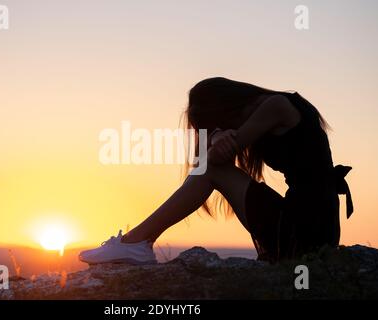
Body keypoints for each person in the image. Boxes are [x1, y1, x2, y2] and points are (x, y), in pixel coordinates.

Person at [79, 77, 353, 265]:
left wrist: (218, 139)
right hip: (311, 223)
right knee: (209, 166)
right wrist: (217, 137)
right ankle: (135, 242)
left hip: (307, 228)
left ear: (224, 109)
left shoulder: (276, 106)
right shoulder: (269, 109)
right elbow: (210, 155)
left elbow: (209, 161)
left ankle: (135, 242)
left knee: (211, 168)